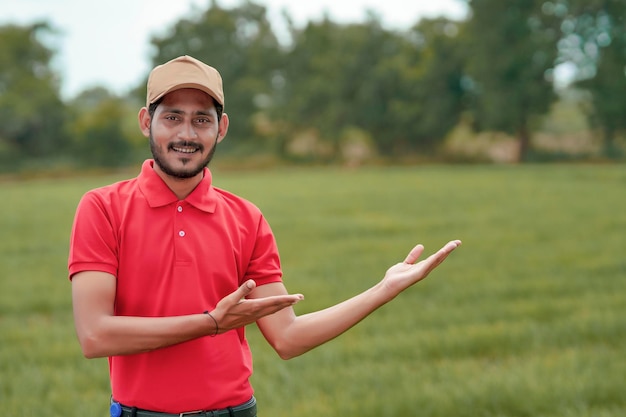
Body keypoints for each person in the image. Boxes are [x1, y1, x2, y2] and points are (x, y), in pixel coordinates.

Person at [68, 55, 461, 417]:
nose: (186, 133)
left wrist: (382, 290)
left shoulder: (246, 218)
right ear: (145, 121)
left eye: (201, 119)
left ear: (221, 128)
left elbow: (288, 337)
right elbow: (95, 335)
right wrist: (210, 323)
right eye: (172, 117)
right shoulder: (103, 208)